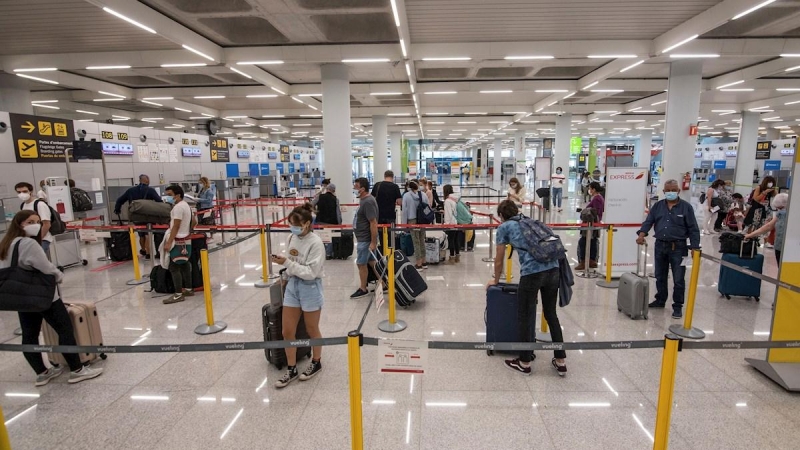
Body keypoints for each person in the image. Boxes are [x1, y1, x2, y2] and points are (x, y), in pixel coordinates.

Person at [0, 210, 103, 386]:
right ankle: (77, 370)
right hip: (43, 295)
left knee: (29, 335)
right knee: (64, 329)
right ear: (20, 224)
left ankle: (42, 373)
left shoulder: (6, 243)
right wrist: (59, 275)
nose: (36, 225)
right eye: (30, 221)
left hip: (21, 297)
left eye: (38, 221)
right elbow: (46, 267)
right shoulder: (28, 244)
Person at [489, 200, 566, 376]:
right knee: (550, 314)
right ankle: (561, 360)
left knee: (525, 315)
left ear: (501, 215)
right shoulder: (530, 221)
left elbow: (499, 259)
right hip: (553, 268)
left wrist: (495, 280)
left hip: (532, 273)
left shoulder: (504, 227)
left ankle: (524, 362)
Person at [272, 204, 326, 388]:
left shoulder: (316, 243)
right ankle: (292, 367)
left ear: (307, 224)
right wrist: (285, 275)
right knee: (287, 331)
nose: (292, 228)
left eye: (296, 224)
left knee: (312, 329)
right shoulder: (291, 237)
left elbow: (311, 272)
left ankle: (316, 361)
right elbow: (292, 262)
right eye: (290, 224)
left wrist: (287, 262)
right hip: (292, 286)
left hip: (310, 287)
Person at [636, 179, 701, 319]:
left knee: (678, 278)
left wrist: (695, 247)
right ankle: (660, 300)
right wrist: (642, 234)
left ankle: (677, 306)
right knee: (660, 275)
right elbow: (649, 221)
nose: (670, 192)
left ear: (678, 191)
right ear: (664, 192)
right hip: (660, 245)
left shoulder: (686, 207)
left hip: (679, 247)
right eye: (668, 190)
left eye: (673, 190)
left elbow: (693, 228)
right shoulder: (658, 206)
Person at [113, 175, 163, 260]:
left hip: (136, 216)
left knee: (141, 234)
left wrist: (117, 209)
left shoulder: (130, 190)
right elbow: (159, 201)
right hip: (148, 216)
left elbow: (119, 200)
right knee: (148, 234)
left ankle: (143, 250)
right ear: (147, 181)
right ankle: (148, 253)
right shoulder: (150, 190)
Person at [162, 185, 195, 304]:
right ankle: (189, 289)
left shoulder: (178, 208)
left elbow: (175, 225)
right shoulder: (187, 205)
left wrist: (169, 241)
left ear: (178, 195)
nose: (168, 197)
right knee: (185, 264)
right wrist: (187, 230)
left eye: (170, 195)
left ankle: (178, 294)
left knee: (174, 266)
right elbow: (194, 221)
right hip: (186, 239)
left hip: (177, 240)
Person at [350, 178, 378, 299]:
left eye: (356, 186)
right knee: (373, 263)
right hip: (364, 239)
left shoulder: (367, 202)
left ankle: (363, 288)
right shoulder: (364, 200)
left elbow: (373, 222)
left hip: (365, 240)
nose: (354, 189)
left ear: (363, 188)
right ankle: (384, 282)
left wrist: (373, 242)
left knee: (361, 264)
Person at [745, 193, 788, 263]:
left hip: (784, 247)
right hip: (782, 247)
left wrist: (749, 235)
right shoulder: (782, 214)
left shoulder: (782, 213)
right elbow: (768, 227)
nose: (778, 210)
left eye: (779, 208)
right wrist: (750, 235)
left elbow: (767, 227)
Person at [15, 182, 53, 255]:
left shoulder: (40, 204)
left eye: (24, 191)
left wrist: (39, 239)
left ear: (31, 191)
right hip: (30, 239)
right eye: (19, 192)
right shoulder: (23, 205)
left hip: (42, 239)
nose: (22, 194)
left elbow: (47, 224)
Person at [576, 182, 605, 271]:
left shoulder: (597, 199)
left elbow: (594, 212)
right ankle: (592, 261)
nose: (589, 190)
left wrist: (585, 211)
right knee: (592, 242)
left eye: (590, 188)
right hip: (594, 223)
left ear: (594, 189)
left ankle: (584, 261)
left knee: (583, 242)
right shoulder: (599, 198)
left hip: (591, 223)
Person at [402, 181, 429, 270]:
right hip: (422, 220)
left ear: (409, 187)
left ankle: (418, 263)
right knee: (422, 240)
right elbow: (427, 207)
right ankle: (424, 262)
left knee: (416, 241)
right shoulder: (423, 195)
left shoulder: (406, 196)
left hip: (412, 220)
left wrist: (404, 224)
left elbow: (404, 211)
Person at [315, 183, 341, 259]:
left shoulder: (320, 197)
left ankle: (321, 253)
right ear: (334, 190)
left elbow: (311, 204)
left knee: (321, 236)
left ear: (327, 189)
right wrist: (339, 223)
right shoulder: (335, 199)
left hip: (321, 220)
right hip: (332, 222)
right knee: (329, 237)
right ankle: (328, 254)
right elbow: (338, 212)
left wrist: (316, 212)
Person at [442, 184, 461, 264]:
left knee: (451, 240)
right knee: (456, 239)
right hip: (457, 221)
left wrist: (446, 224)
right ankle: (457, 257)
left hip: (451, 223)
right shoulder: (455, 199)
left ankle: (452, 257)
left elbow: (449, 214)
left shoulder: (447, 201)